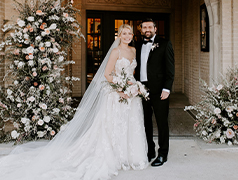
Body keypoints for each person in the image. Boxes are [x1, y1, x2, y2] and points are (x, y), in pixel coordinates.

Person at [0, 24, 148, 180]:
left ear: (132, 35)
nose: (127, 36)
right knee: (115, 125)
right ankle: (116, 155)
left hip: (132, 94)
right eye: (124, 33)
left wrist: (134, 88)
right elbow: (107, 74)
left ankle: (129, 156)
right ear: (119, 35)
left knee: (130, 124)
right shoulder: (115, 51)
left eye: (129, 33)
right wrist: (121, 89)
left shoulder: (133, 51)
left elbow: (132, 73)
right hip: (117, 94)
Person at [135, 18, 175, 167]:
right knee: (145, 122)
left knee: (162, 122)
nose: (147, 29)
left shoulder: (165, 44)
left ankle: (163, 154)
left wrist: (167, 88)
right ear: (141, 30)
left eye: (150, 27)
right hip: (142, 89)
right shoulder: (138, 45)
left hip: (160, 90)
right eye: (144, 27)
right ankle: (150, 151)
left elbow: (170, 69)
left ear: (155, 29)